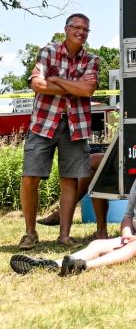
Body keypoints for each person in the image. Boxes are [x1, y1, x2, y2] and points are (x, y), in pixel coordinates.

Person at [9, 134, 136, 276]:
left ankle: (83, 266)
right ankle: (51, 264)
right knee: (98, 243)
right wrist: (126, 233)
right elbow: (128, 216)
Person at [18, 13, 99, 249]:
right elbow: (37, 84)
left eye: (86, 29)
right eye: (76, 27)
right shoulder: (48, 52)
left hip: (76, 125)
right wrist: (73, 85)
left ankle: (64, 235)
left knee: (70, 180)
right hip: (44, 122)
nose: (81, 32)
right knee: (30, 177)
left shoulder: (92, 59)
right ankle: (30, 233)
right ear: (66, 29)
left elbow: (87, 91)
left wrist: (57, 80)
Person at [37, 151, 109, 239]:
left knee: (89, 161)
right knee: (96, 173)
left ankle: (62, 213)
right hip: (126, 163)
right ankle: (101, 232)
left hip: (126, 165)